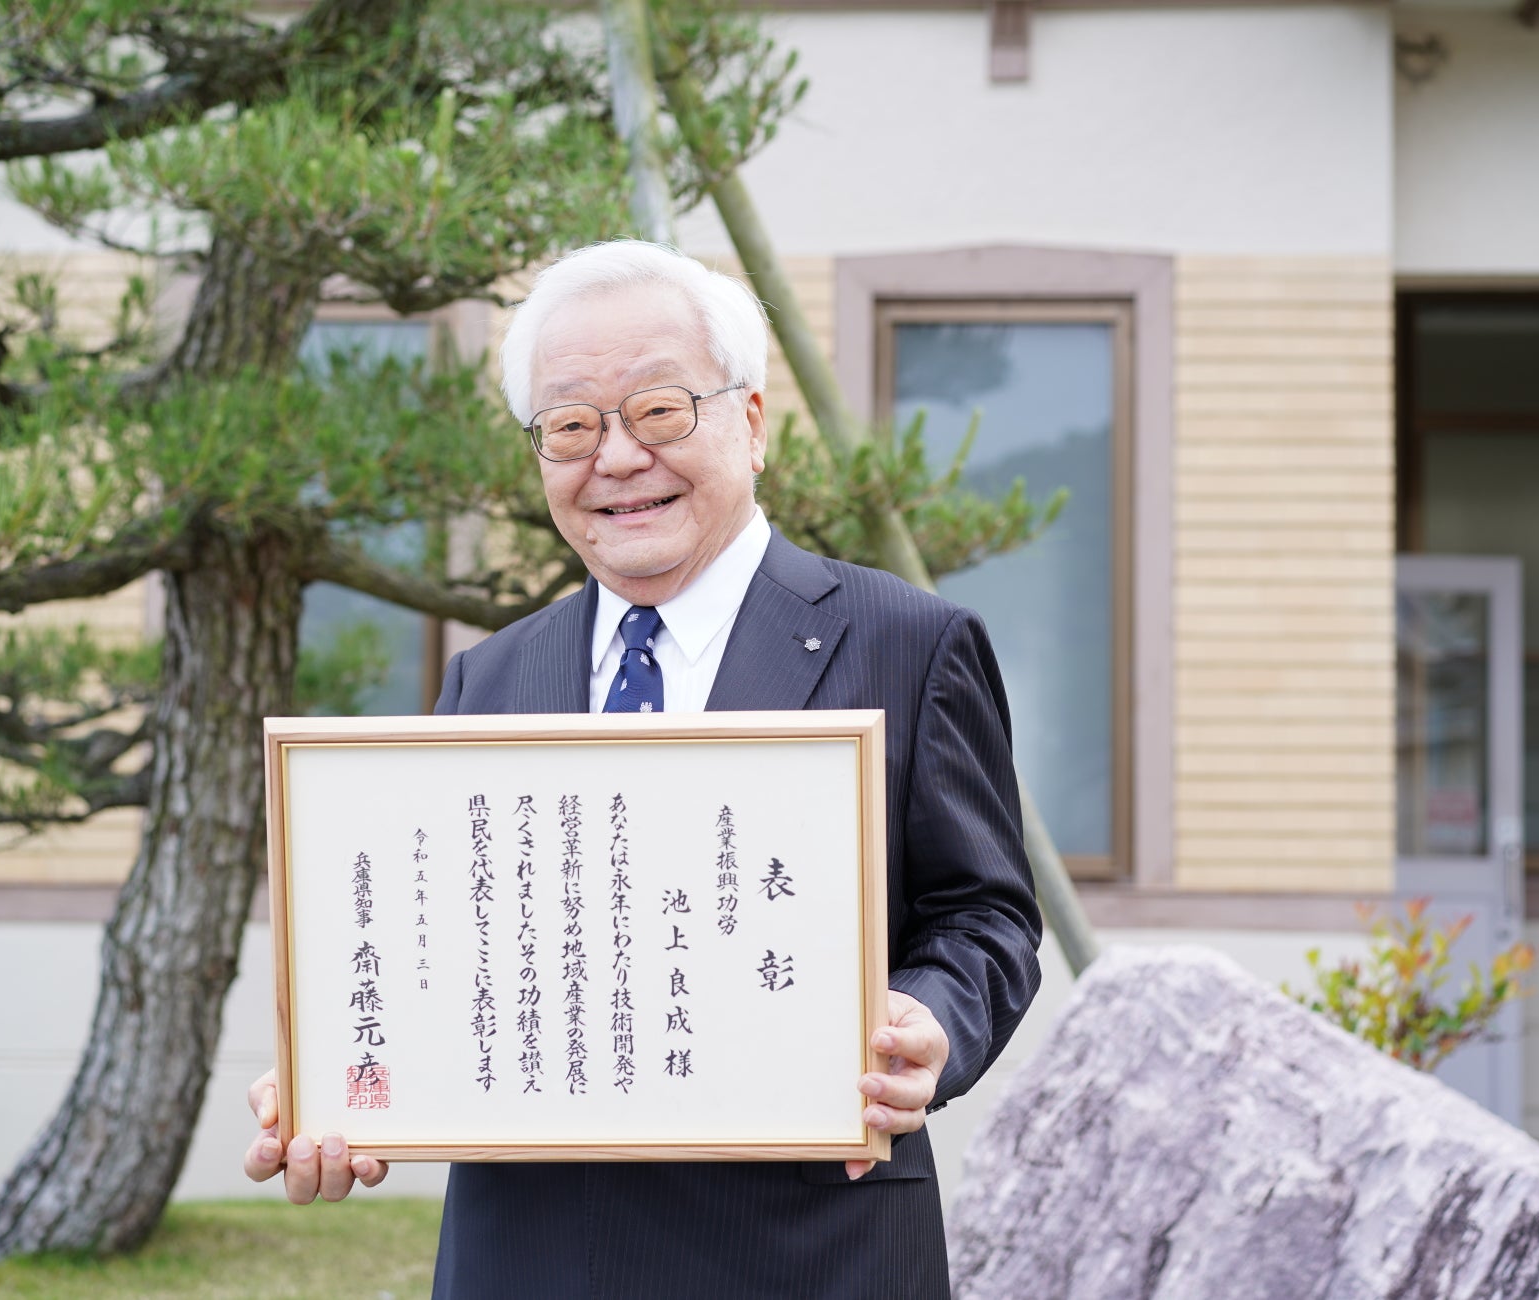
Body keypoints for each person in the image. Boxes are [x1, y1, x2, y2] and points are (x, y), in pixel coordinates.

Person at [245, 240, 1042, 1298]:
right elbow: (443, 955)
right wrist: (347, 1082)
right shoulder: (490, 675)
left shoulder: (908, 642)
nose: (616, 458)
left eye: (660, 410)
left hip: (814, 1250)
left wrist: (930, 1021)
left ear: (751, 423)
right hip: (531, 1257)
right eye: (571, 425)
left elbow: (985, 915)